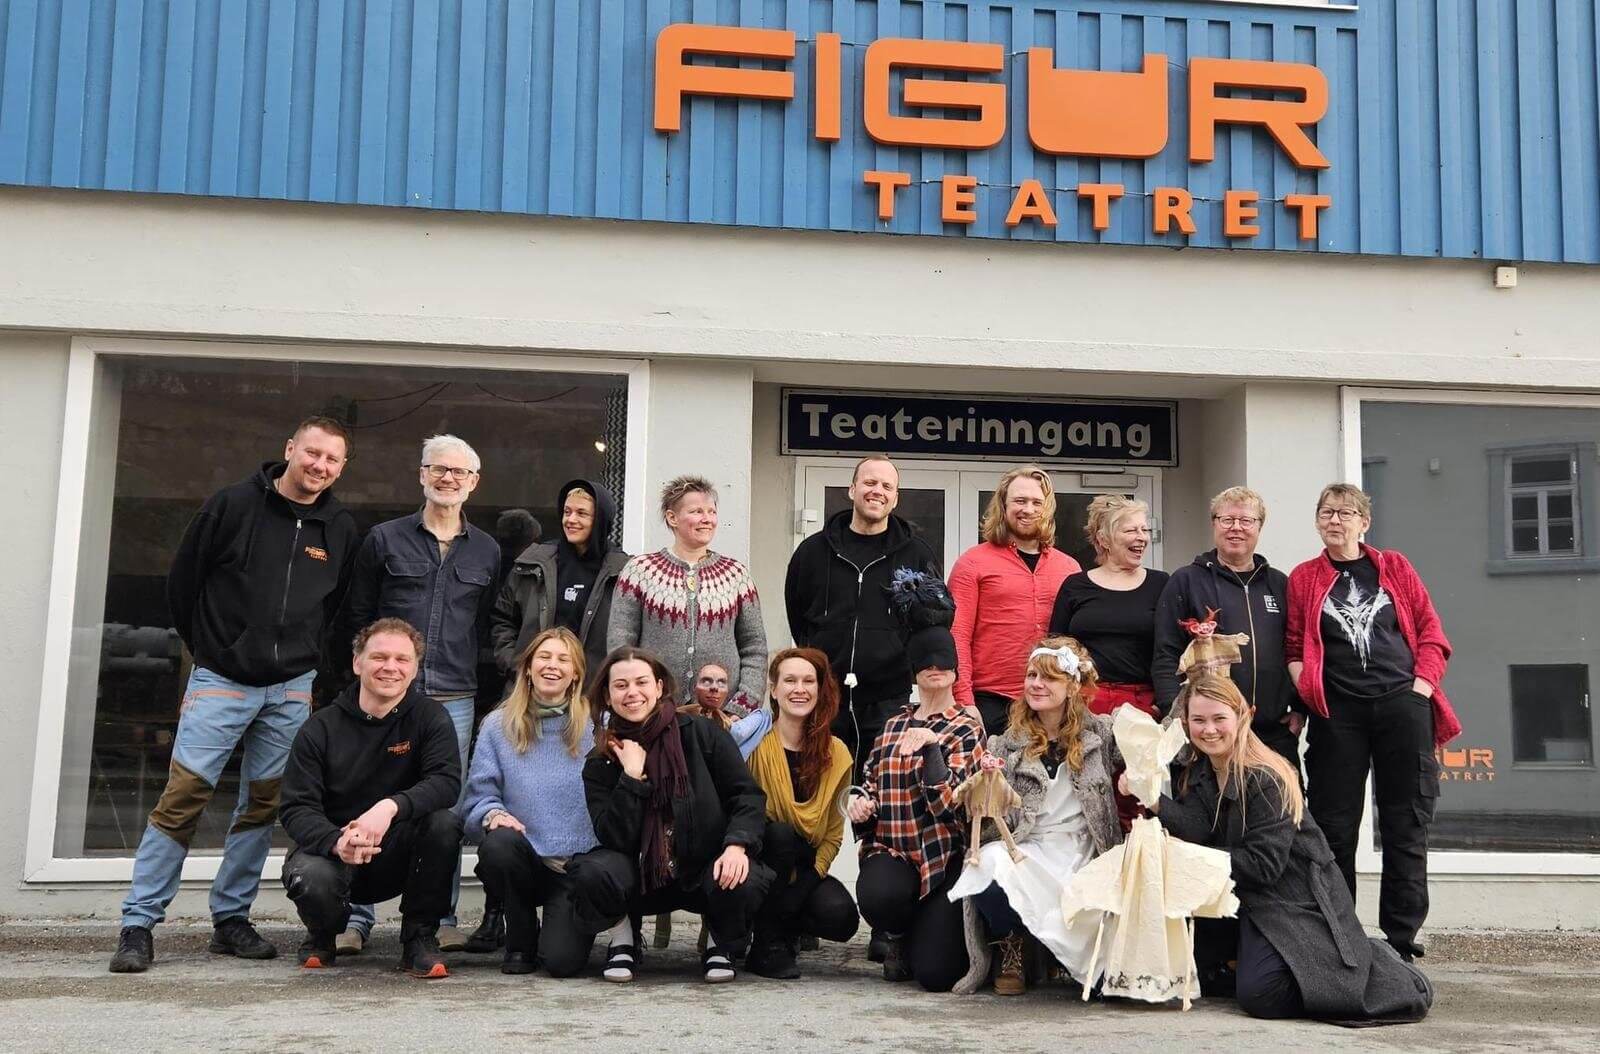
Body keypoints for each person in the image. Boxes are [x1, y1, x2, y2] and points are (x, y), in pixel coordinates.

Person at [109, 416, 360, 974]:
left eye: (332, 460)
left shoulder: (339, 527)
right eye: (312, 453)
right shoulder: (231, 506)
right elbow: (183, 584)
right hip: (221, 682)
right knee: (181, 802)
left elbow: (337, 610)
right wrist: (212, 652)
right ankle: (139, 923)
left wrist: (312, 670)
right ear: (289, 449)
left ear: (342, 467)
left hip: (291, 690)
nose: (319, 466)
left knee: (262, 807)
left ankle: (230, 920)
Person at [1146, 675, 1434, 1023]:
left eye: (1219, 718)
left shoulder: (1268, 775)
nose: (1209, 730)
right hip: (1247, 896)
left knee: (1262, 996)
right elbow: (1199, 826)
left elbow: (1264, 865)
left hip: (1297, 898)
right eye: (1199, 720)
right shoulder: (1203, 769)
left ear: (1242, 716)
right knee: (1207, 978)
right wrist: (1153, 801)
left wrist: (1189, 860)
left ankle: (1383, 965)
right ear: (1186, 722)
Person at [338, 434, 500, 953]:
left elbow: (489, 624)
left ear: (473, 483)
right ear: (421, 474)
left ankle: (439, 916)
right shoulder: (383, 539)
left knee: (443, 807)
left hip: (454, 694)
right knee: (366, 795)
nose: (448, 478)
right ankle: (354, 918)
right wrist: (359, 679)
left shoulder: (488, 550)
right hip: (383, 693)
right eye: (438, 469)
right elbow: (357, 615)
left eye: (459, 472)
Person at [1286, 484, 1459, 963]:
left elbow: (1431, 633)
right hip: (1338, 714)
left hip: (1400, 706)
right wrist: (1307, 689)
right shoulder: (1304, 577)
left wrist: (1420, 688)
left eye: (1345, 513)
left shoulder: (1395, 567)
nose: (1334, 520)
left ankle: (1401, 938)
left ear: (1365, 522)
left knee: (1406, 821)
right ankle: (1340, 934)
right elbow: (1295, 643)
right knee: (1335, 826)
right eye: (1326, 512)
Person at [278, 619, 464, 979]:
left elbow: (446, 783)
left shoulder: (430, 718)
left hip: (397, 854)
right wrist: (337, 842)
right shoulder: (320, 727)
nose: (391, 667)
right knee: (311, 877)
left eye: (402, 659)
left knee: (444, 824)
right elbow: (296, 807)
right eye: (379, 656)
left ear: (414, 669)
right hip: (334, 851)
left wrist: (388, 808)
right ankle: (322, 934)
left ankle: (419, 938)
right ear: (357, 663)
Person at [581, 647, 775, 983]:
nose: (632, 693)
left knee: (744, 876)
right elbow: (612, 835)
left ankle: (719, 942)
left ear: (658, 687)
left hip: (702, 869)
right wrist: (630, 777)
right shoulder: (602, 759)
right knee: (591, 872)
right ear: (608, 696)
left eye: (641, 682)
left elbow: (746, 795)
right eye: (621, 685)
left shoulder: (701, 732)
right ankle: (623, 939)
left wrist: (736, 845)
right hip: (642, 877)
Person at [948, 637, 1124, 996]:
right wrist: (985, 794)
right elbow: (993, 816)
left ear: (1073, 686)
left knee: (1105, 984)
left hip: (1083, 850)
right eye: (1031, 675)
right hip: (1029, 846)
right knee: (985, 863)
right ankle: (1014, 941)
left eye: (1049, 678)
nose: (1036, 684)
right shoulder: (1005, 744)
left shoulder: (1103, 734)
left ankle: (1057, 952)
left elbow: (1160, 749)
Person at [850, 579, 986, 992]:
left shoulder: (967, 728)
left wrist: (932, 750)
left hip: (942, 857)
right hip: (892, 850)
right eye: (926, 662)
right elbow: (869, 779)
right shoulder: (894, 723)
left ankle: (922, 935)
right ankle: (898, 933)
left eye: (944, 662)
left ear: (955, 670)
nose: (935, 668)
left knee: (937, 976)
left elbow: (950, 804)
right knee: (878, 895)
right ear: (915, 670)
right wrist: (858, 801)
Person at [462, 628, 617, 976]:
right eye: (544, 657)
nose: (553, 666)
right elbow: (476, 799)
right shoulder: (496, 725)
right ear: (528, 668)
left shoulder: (600, 725)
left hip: (575, 865)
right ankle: (519, 939)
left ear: (576, 672)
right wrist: (493, 815)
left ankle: (556, 933)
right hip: (524, 860)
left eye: (564, 659)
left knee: (561, 964)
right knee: (498, 847)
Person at [784, 456, 942, 770]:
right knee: (822, 786)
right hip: (826, 695)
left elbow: (931, 619)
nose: (877, 491)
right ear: (852, 489)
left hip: (889, 699)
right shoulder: (813, 552)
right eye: (870, 482)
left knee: (883, 792)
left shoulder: (917, 554)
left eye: (887, 486)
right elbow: (798, 615)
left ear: (896, 498)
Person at [1152, 486, 1303, 769]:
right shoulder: (1186, 581)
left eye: (1246, 521)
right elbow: (1166, 654)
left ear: (1259, 527)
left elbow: (1296, 649)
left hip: (1272, 732)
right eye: (1227, 520)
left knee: (1284, 810)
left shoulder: (1279, 584)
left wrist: (1300, 709)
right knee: (1211, 811)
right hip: (1209, 735)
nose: (1236, 528)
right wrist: (1177, 714)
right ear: (1214, 524)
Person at [1048, 494, 1167, 828]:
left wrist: (1162, 704)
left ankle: (1133, 867)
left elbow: (1171, 649)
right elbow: (1056, 650)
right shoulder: (1075, 586)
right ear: (1103, 538)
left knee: (1135, 798)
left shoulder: (1163, 584)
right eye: (1131, 530)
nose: (1141, 537)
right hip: (1085, 704)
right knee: (1083, 794)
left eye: (1144, 529)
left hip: (1141, 706)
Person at [744, 648, 860, 979]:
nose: (799, 689)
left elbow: (834, 832)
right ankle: (766, 946)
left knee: (841, 918)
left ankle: (786, 927)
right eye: (790, 680)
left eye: (809, 681)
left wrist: (805, 883)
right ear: (773, 689)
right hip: (759, 859)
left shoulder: (836, 752)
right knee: (779, 835)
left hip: (805, 863)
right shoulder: (753, 743)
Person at [608, 475, 767, 712]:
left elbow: (754, 647)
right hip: (654, 715)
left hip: (720, 718)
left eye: (712, 512)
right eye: (697, 512)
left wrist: (740, 708)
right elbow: (620, 644)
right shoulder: (640, 571)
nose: (707, 519)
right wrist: (633, 703)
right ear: (672, 518)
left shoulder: (736, 575)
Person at [949, 466, 1080, 735]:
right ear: (1003, 505)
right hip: (989, 703)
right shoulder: (972, 563)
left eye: (1036, 503)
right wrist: (964, 701)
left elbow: (1077, 644)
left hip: (1051, 703)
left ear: (1047, 509)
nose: (1028, 509)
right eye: (1020, 501)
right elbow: (957, 635)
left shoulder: (1069, 568)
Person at [492, 479, 628, 690]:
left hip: (591, 694)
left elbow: (632, 637)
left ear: (601, 520)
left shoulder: (624, 572)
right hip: (530, 691)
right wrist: (516, 665)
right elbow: (502, 619)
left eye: (582, 513)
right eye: (567, 511)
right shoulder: (532, 563)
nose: (571, 519)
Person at [683, 661, 770, 758]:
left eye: (721, 683)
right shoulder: (679, 721)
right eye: (707, 681)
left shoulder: (733, 729)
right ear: (695, 687)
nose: (714, 687)